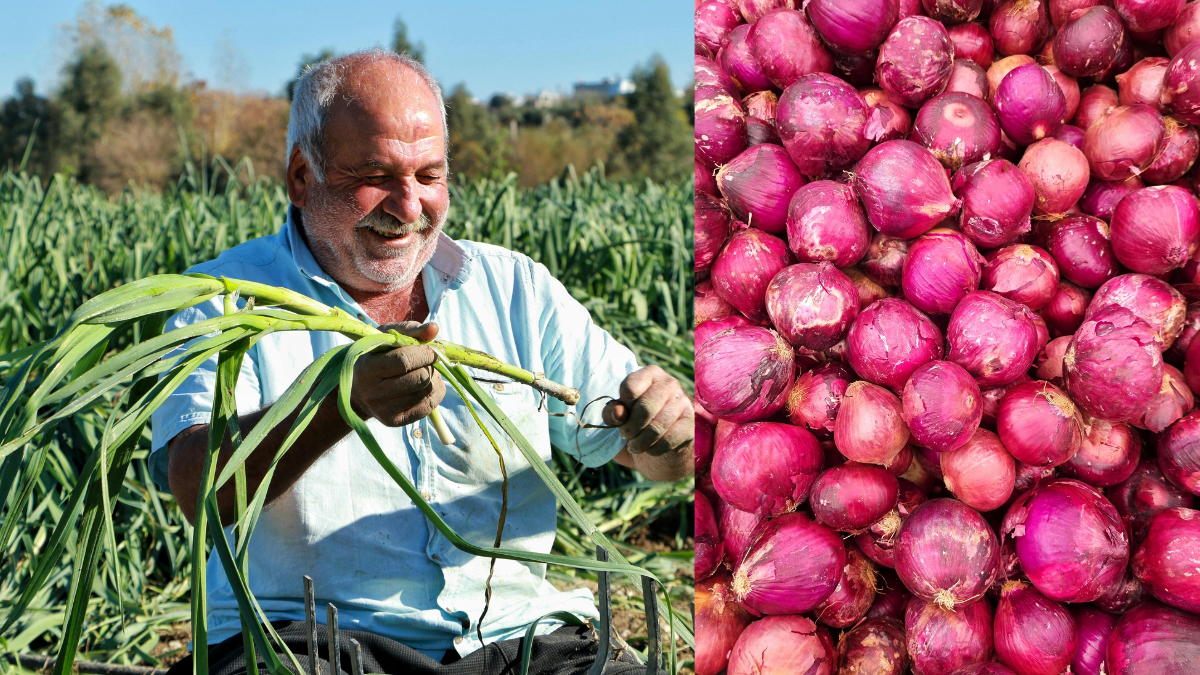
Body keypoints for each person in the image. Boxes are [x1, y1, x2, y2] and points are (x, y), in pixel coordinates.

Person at [148, 49, 694, 675]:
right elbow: (198, 492)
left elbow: (651, 457)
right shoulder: (225, 301)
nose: (409, 207)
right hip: (307, 642)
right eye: (375, 175)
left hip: (518, 641)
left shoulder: (516, 289)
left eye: (429, 177)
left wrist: (669, 435)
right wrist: (339, 403)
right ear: (301, 177)